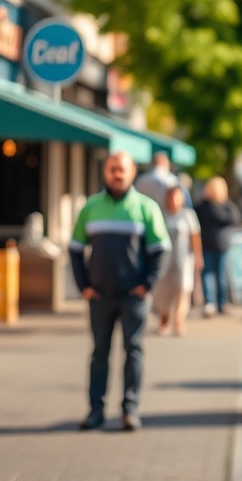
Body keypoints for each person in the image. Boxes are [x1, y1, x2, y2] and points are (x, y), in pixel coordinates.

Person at [69, 151, 171, 432]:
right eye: (112, 168)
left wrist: (147, 285)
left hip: (133, 297)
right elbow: (75, 248)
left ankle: (130, 410)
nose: (117, 174)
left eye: (122, 169)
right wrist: (84, 286)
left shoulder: (146, 208)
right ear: (105, 172)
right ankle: (96, 411)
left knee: (133, 351)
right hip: (99, 295)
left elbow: (161, 250)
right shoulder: (90, 207)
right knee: (99, 354)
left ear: (132, 172)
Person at [152, 185, 203, 335]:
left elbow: (195, 237)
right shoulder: (162, 215)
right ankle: (164, 317)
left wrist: (198, 257)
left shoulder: (188, 215)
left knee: (183, 288)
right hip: (166, 259)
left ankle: (179, 320)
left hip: (184, 258)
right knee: (164, 289)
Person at [194, 176, 242, 316]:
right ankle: (221, 303)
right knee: (220, 274)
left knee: (208, 274)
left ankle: (210, 303)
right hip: (220, 243)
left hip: (208, 243)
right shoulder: (226, 206)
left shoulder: (203, 206)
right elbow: (235, 219)